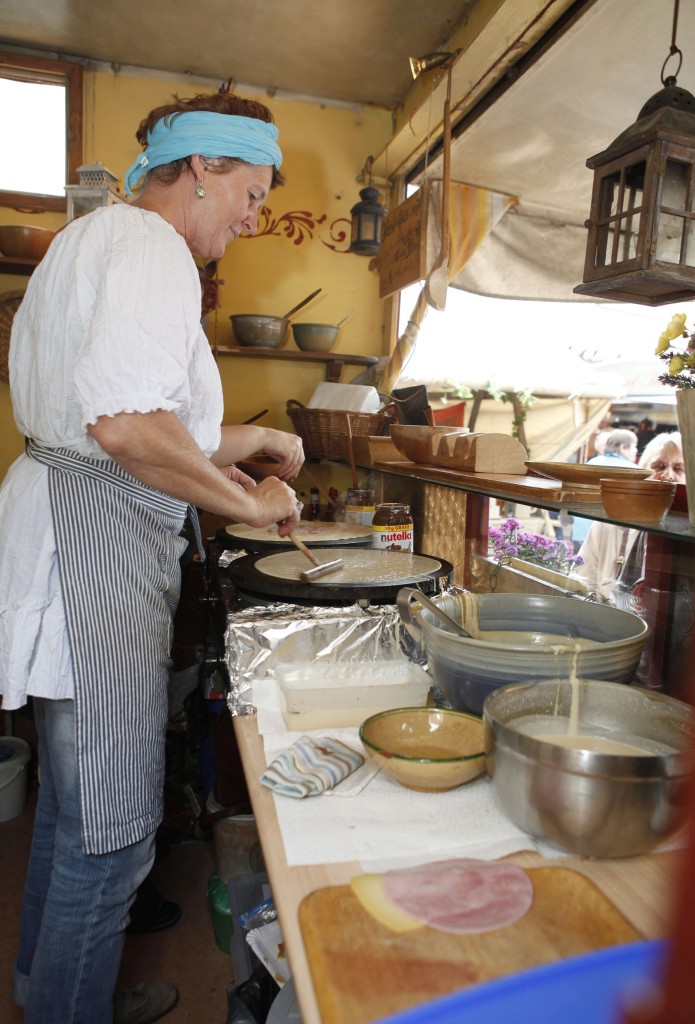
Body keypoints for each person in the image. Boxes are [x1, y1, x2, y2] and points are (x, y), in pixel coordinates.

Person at [0, 90, 304, 1024]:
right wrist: (249, 504)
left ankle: (53, 993)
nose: (253, 217)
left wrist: (250, 442)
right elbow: (128, 426)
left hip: (63, 529)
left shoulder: (90, 239)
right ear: (203, 168)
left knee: (73, 813)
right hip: (93, 548)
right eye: (251, 194)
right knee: (113, 844)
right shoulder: (151, 247)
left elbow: (133, 418)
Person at [573, 431, 685, 601]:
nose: (668, 475)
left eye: (678, 468)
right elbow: (580, 583)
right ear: (642, 475)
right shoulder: (607, 526)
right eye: (660, 466)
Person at [571, 428, 639, 548]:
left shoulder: (591, 463)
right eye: (634, 446)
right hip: (610, 538)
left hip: (581, 531)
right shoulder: (634, 471)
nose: (636, 450)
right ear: (623, 447)